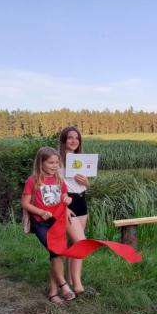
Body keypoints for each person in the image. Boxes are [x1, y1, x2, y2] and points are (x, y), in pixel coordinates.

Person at [21, 147, 76, 305]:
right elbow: (24, 203)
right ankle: (64, 286)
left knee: (56, 254)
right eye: (51, 162)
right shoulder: (33, 180)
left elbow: (64, 196)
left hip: (56, 222)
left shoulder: (59, 179)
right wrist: (40, 212)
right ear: (41, 163)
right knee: (55, 250)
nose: (55, 166)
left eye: (57, 162)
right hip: (40, 222)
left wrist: (67, 200)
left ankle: (53, 293)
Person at [58, 126, 93, 296]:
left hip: (81, 200)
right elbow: (53, 185)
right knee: (81, 242)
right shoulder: (57, 160)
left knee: (73, 244)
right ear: (64, 140)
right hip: (67, 202)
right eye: (70, 137)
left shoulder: (82, 159)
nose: (74, 141)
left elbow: (85, 185)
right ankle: (78, 286)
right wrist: (62, 206)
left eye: (77, 138)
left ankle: (71, 280)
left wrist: (86, 182)